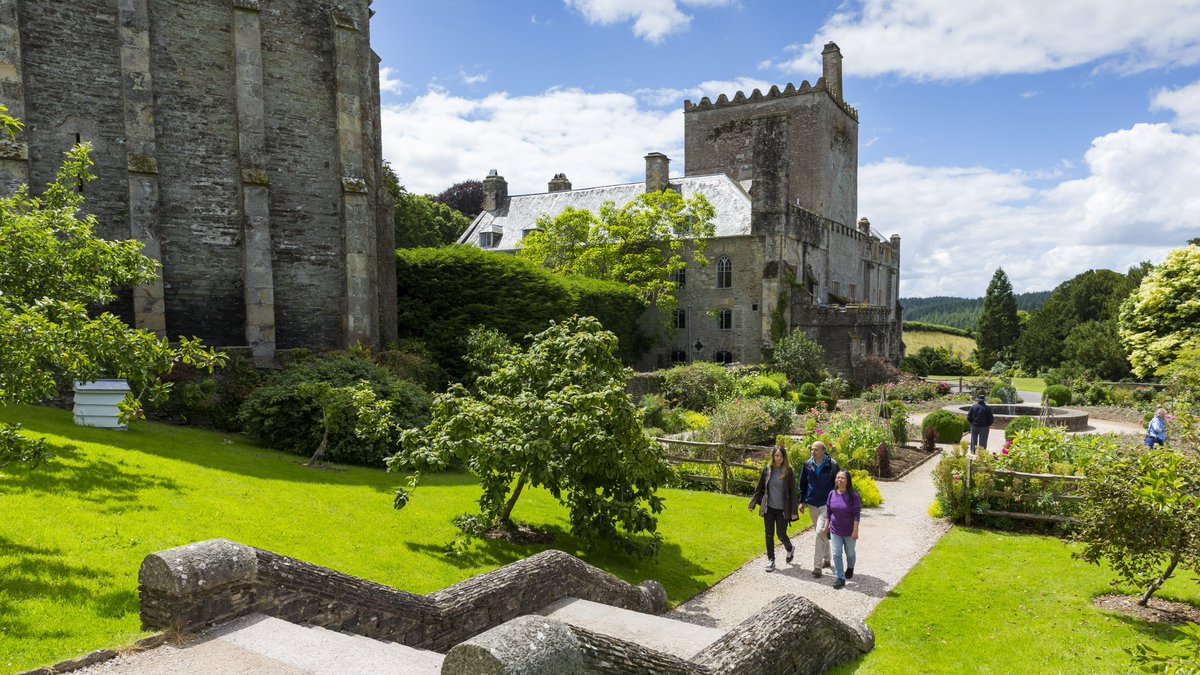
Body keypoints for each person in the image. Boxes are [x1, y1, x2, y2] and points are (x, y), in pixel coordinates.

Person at [748, 445, 799, 572]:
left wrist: (793, 511)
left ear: (784, 457)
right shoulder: (768, 469)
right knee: (769, 534)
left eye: (781, 456)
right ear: (773, 456)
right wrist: (753, 503)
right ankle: (771, 560)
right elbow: (760, 487)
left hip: (782, 509)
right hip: (769, 508)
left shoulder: (788, 471)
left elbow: (793, 492)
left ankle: (790, 549)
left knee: (781, 534)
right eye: (776, 455)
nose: (779, 458)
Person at [798, 440, 838, 577]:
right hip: (812, 504)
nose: (812, 452)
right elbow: (802, 483)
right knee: (822, 533)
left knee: (819, 531)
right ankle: (827, 559)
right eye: (811, 449)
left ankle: (817, 567)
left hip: (827, 505)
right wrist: (801, 501)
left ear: (823, 451)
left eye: (815, 449)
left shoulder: (832, 465)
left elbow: (838, 486)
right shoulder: (808, 464)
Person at [823, 469, 861, 590]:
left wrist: (855, 531)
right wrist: (826, 526)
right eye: (838, 477)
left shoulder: (853, 496)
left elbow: (856, 514)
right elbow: (828, 511)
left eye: (842, 478)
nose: (839, 480)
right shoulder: (831, 494)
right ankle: (840, 577)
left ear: (847, 481)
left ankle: (850, 567)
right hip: (835, 530)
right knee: (836, 554)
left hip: (849, 531)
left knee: (850, 553)